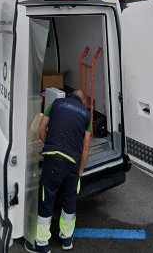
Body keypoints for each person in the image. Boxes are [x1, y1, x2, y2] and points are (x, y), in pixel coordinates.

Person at [26, 90, 92, 253]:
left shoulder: (55, 104)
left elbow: (41, 127)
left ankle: (42, 243)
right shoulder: (86, 114)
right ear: (82, 102)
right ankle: (66, 239)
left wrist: (48, 143)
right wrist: (80, 171)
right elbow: (86, 148)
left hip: (53, 160)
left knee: (47, 198)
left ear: (69, 96)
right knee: (69, 201)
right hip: (72, 163)